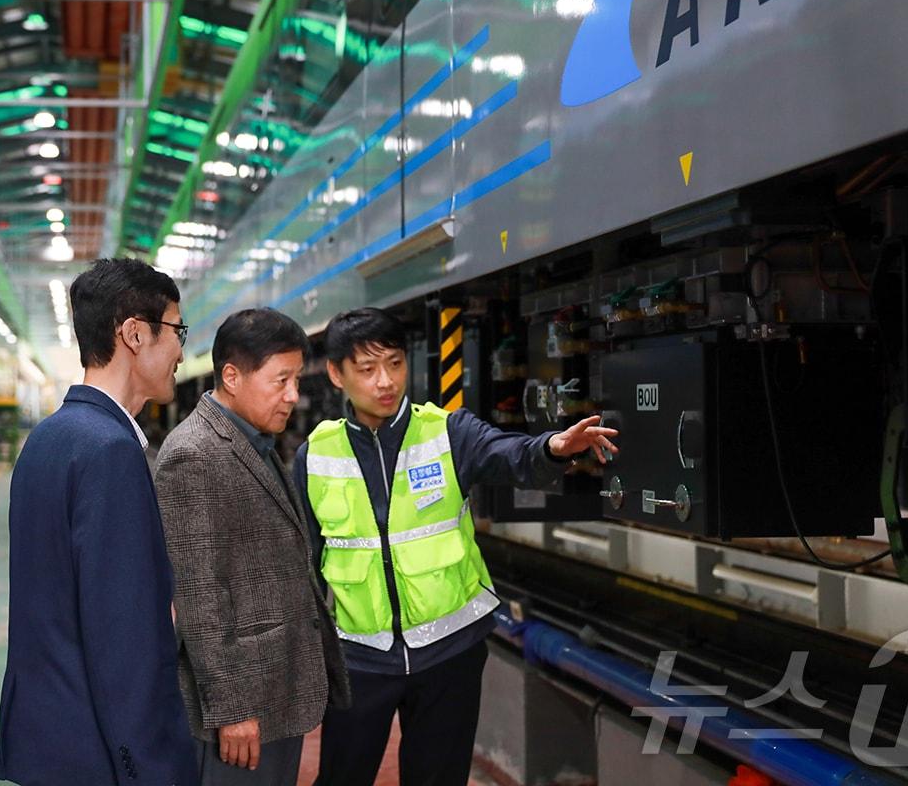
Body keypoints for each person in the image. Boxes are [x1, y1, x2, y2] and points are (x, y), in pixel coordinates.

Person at [293, 307, 619, 786]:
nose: (385, 381)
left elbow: (508, 453)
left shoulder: (447, 432)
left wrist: (551, 447)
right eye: (367, 369)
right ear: (337, 375)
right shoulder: (317, 455)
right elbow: (307, 561)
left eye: (395, 364)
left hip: (449, 653)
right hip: (359, 656)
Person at [0, 258, 197, 786]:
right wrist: (151, 767)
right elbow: (123, 642)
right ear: (134, 334)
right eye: (177, 330)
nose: (182, 350)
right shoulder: (109, 451)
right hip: (101, 756)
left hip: (49, 741)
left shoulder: (48, 438)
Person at [154, 308, 349, 786]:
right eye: (280, 380)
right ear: (232, 377)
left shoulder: (254, 440)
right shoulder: (192, 455)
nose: (292, 396)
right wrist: (232, 708)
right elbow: (199, 597)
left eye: (296, 380)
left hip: (276, 690)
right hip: (243, 710)